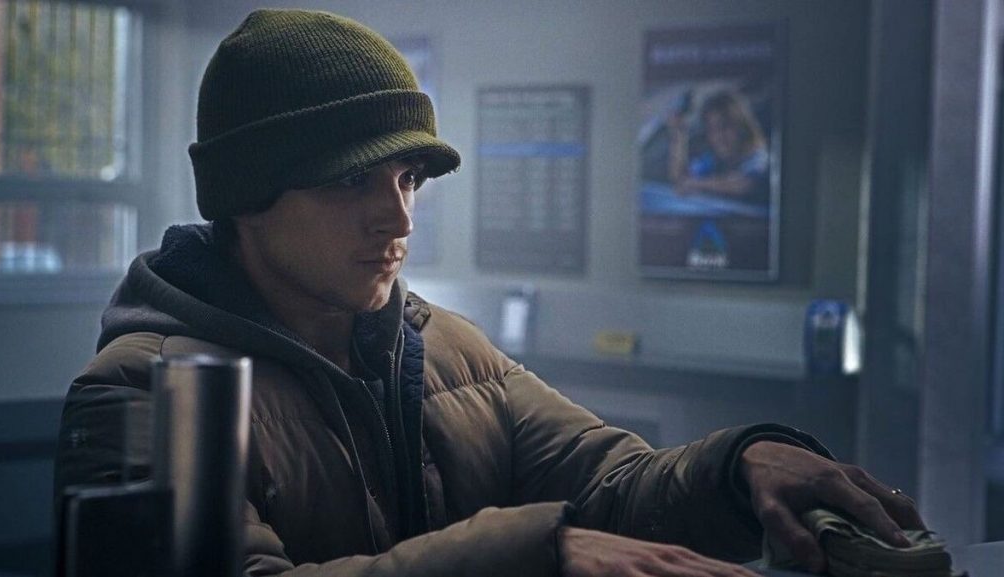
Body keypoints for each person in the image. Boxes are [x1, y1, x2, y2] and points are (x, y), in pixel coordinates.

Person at [54, 9, 924, 577]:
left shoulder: (448, 350)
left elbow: (616, 481)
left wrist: (740, 464)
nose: (397, 217)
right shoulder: (138, 389)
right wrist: (535, 555)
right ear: (247, 195)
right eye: (352, 181)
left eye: (408, 178)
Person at [667, 89, 770, 206]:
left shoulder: (759, 158)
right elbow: (682, 179)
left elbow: (745, 184)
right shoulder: (713, 158)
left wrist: (696, 184)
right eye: (712, 130)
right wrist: (679, 134)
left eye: (725, 126)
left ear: (742, 126)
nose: (719, 137)